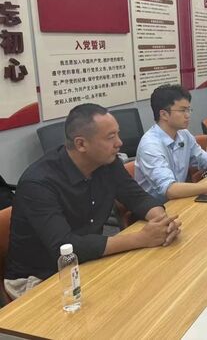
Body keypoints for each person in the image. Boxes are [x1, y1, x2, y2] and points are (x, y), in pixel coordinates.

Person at [5, 104, 182, 299]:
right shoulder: (38, 183)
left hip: (89, 259)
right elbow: (65, 247)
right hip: (40, 277)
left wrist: (161, 223)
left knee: (154, 286)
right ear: (81, 144)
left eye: (118, 134)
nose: (119, 143)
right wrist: (141, 238)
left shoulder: (107, 163)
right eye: (110, 137)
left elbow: (137, 197)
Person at [136, 84, 207, 203]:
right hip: (157, 208)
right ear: (164, 114)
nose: (188, 115)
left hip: (179, 200)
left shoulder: (183, 134)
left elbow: (206, 160)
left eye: (188, 109)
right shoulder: (150, 146)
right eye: (182, 110)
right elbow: (170, 189)